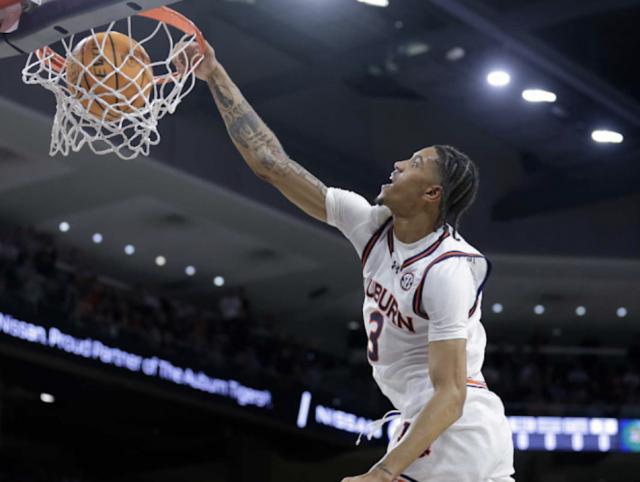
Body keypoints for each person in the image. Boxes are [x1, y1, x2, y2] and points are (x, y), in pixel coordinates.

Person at [175, 40, 515, 482]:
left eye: (414, 164)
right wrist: (214, 74)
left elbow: (450, 395)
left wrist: (383, 472)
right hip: (453, 427)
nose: (398, 164)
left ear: (432, 193)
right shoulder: (371, 226)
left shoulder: (445, 270)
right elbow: (272, 165)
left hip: (453, 426)